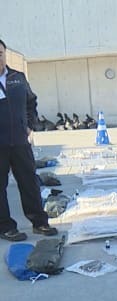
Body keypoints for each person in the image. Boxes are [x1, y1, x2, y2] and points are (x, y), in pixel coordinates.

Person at [0, 39, 58, 241]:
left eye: (0, 52)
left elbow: (31, 102)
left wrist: (29, 125)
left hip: (20, 142)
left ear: (5, 54)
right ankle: (6, 226)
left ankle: (39, 222)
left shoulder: (17, 78)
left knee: (29, 182)